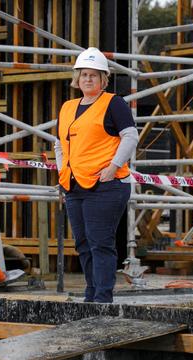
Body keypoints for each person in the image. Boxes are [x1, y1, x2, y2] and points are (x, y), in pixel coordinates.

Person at [54, 47, 138, 303]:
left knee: (100, 242)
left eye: (94, 75)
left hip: (106, 186)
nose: (88, 79)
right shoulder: (68, 107)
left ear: (103, 79)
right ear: (77, 78)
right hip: (74, 185)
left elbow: (131, 135)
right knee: (82, 243)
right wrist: (62, 174)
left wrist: (113, 167)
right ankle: (91, 294)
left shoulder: (113, 103)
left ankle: (103, 297)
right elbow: (59, 144)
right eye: (84, 75)